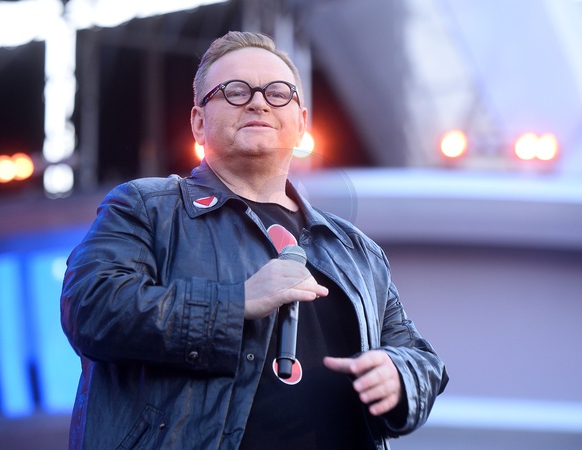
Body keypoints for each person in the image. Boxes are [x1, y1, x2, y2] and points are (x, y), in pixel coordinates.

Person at [60, 31, 448, 450]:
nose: (259, 103)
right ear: (198, 122)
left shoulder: (357, 250)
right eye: (235, 91)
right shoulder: (147, 207)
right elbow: (90, 308)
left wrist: (399, 374)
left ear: (301, 123)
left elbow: (420, 357)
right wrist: (235, 302)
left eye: (277, 93)